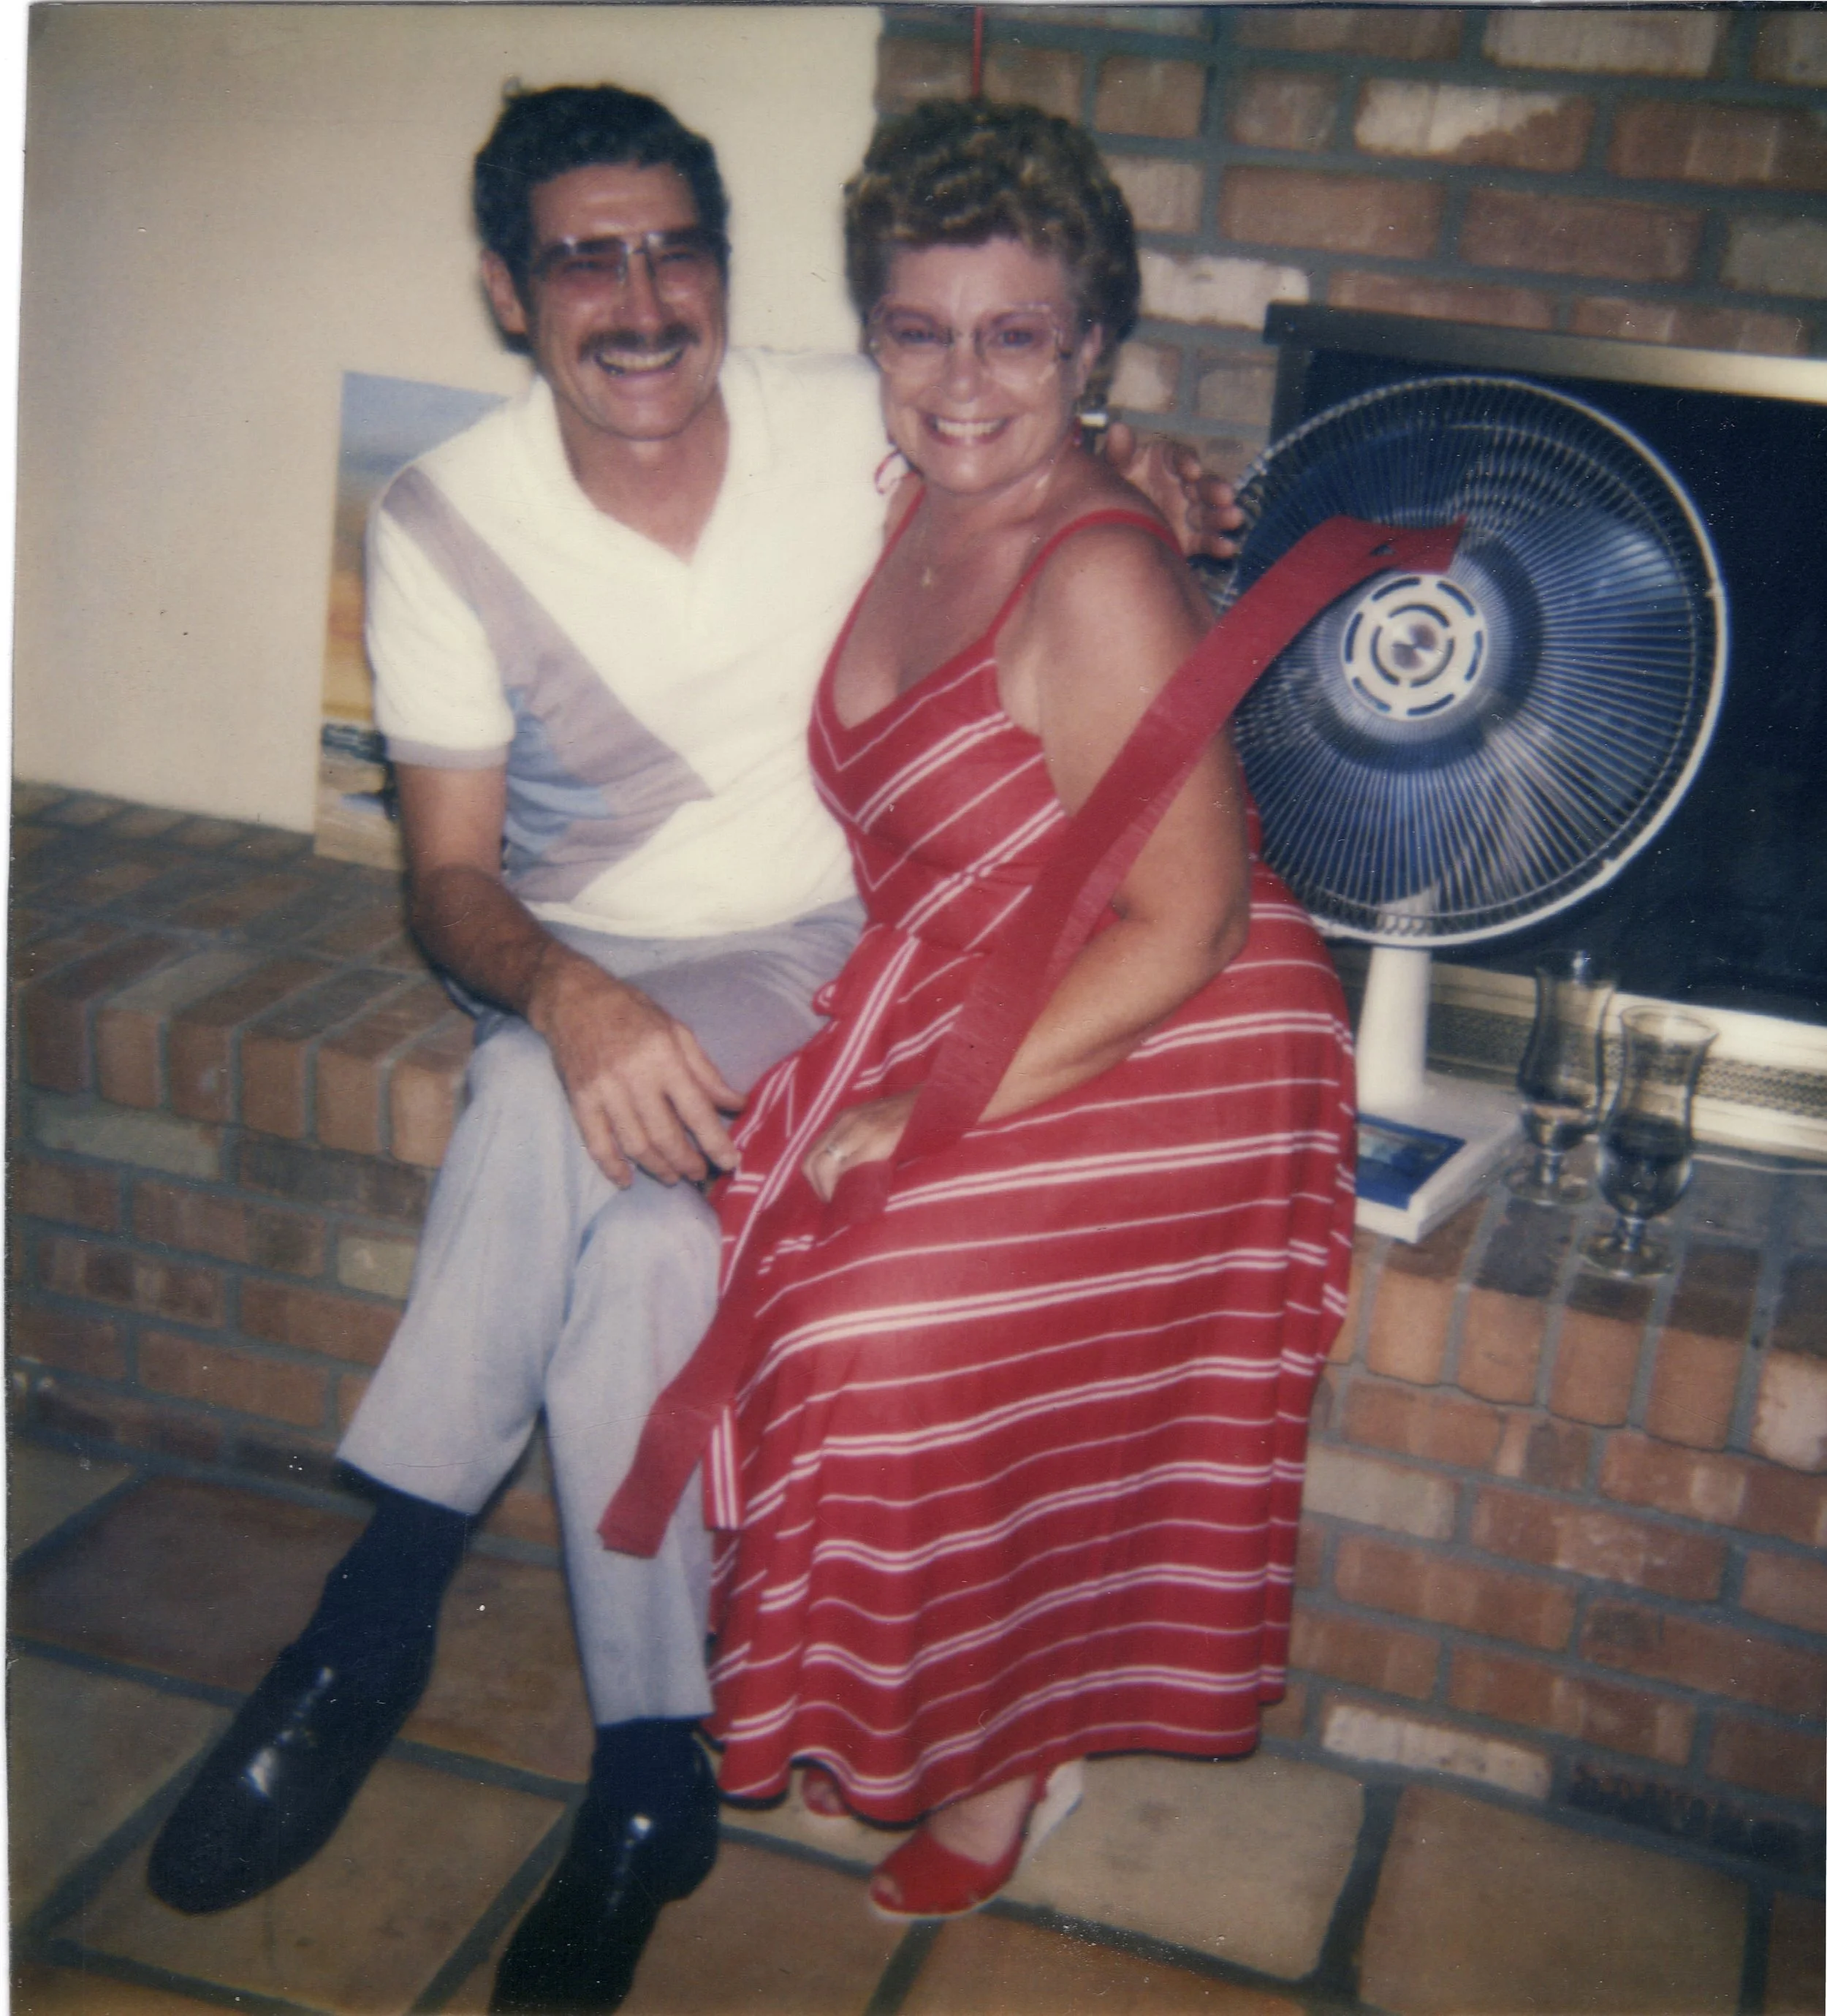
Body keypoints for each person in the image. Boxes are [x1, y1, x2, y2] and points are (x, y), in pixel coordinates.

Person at [147, 81, 1239, 2012]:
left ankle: (370, 1617)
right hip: (605, 953)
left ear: (728, 275)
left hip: (835, 958)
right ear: (508, 290)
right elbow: (450, 882)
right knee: (621, 1215)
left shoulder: (857, 406)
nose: (640, 299)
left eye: (676, 249)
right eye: (585, 256)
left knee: (519, 1106)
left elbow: (1017, 426)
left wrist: (1131, 460)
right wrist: (572, 993)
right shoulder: (436, 518)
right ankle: (652, 1774)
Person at [603, 96, 1356, 1922]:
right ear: (872, 336)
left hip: (1177, 1015)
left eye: (1014, 335)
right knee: (768, 1262)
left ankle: (1019, 1745)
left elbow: (1178, 918)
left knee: (876, 1316)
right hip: (989, 981)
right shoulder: (910, 491)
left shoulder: (1091, 570)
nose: (959, 380)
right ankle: (978, 1697)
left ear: (1088, 346)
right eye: (918, 331)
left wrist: (928, 1106)